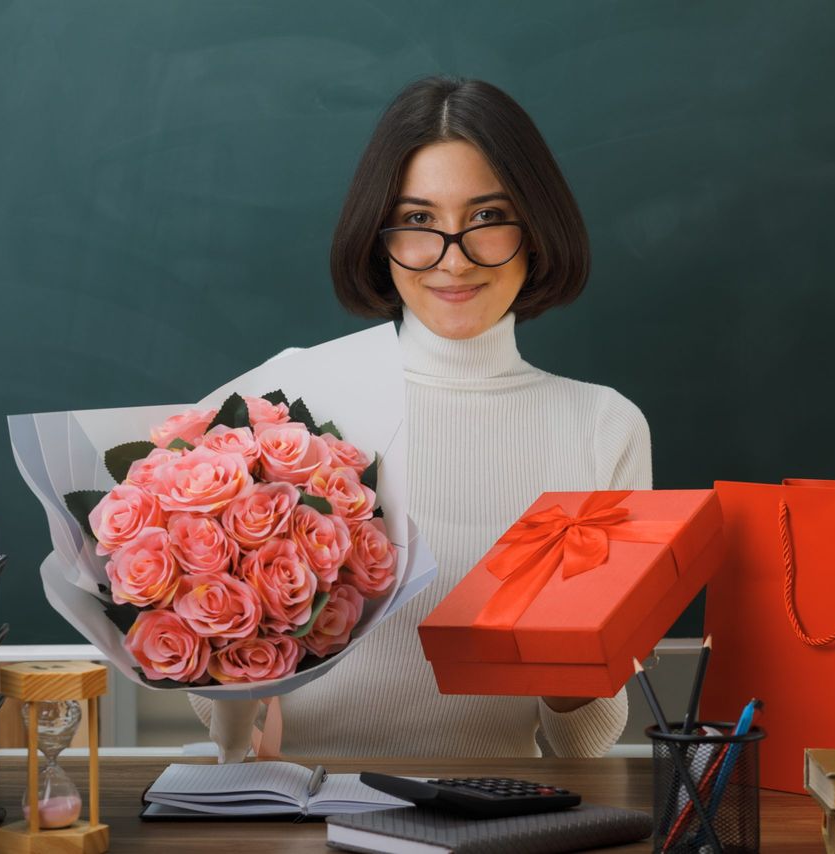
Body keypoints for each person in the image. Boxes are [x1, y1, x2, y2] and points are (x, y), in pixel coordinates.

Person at [191, 76, 651, 758]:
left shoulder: (603, 426)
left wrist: (573, 656)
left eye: (489, 217)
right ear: (380, 239)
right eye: (417, 222)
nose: (453, 258)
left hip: (503, 814)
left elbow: (583, 741)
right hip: (307, 810)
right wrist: (242, 703)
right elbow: (205, 668)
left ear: (537, 229)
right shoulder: (289, 396)